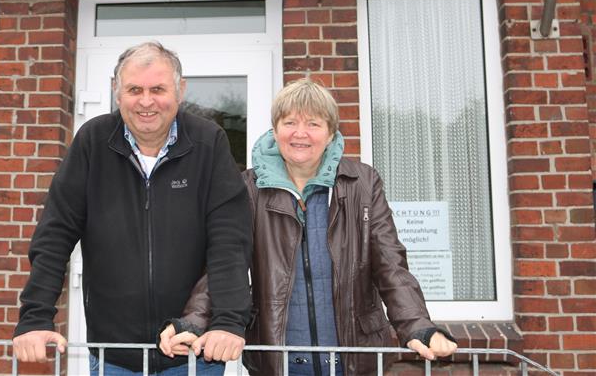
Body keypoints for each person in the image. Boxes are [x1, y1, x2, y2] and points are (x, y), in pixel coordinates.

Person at [161, 78, 456, 375]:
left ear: (330, 133)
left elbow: (390, 264)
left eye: (313, 124)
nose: (300, 134)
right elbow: (225, 262)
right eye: (289, 122)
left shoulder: (362, 184)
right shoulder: (248, 188)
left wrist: (418, 327)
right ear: (275, 130)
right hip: (278, 359)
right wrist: (194, 322)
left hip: (355, 359)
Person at [13, 41, 252, 375]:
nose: (146, 101)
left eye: (158, 89)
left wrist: (228, 321)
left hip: (194, 351)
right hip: (114, 355)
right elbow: (55, 235)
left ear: (180, 91)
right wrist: (35, 317)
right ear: (116, 91)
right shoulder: (92, 142)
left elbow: (229, 241)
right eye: (134, 89)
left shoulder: (208, 142)